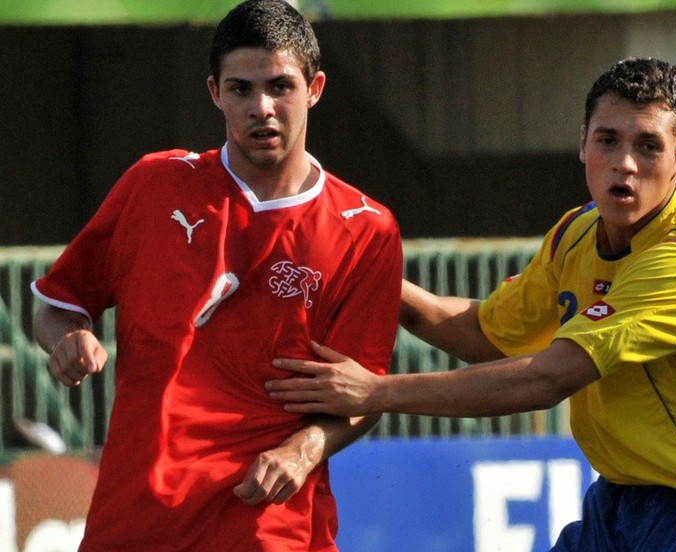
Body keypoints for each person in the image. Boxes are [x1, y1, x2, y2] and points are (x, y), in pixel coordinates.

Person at [266, 57, 676, 551]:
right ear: (582, 142)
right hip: (620, 503)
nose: (625, 164)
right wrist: (365, 276)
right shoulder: (576, 231)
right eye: (608, 140)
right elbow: (485, 334)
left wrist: (377, 392)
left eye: (649, 147)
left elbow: (548, 379)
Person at [30, 1, 403, 550]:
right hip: (136, 521)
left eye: (281, 86)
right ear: (214, 93)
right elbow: (59, 304)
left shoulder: (366, 230)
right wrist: (66, 340)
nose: (262, 107)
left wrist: (302, 451)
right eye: (241, 89)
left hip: (269, 524)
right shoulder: (153, 186)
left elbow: (363, 395)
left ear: (315, 88)